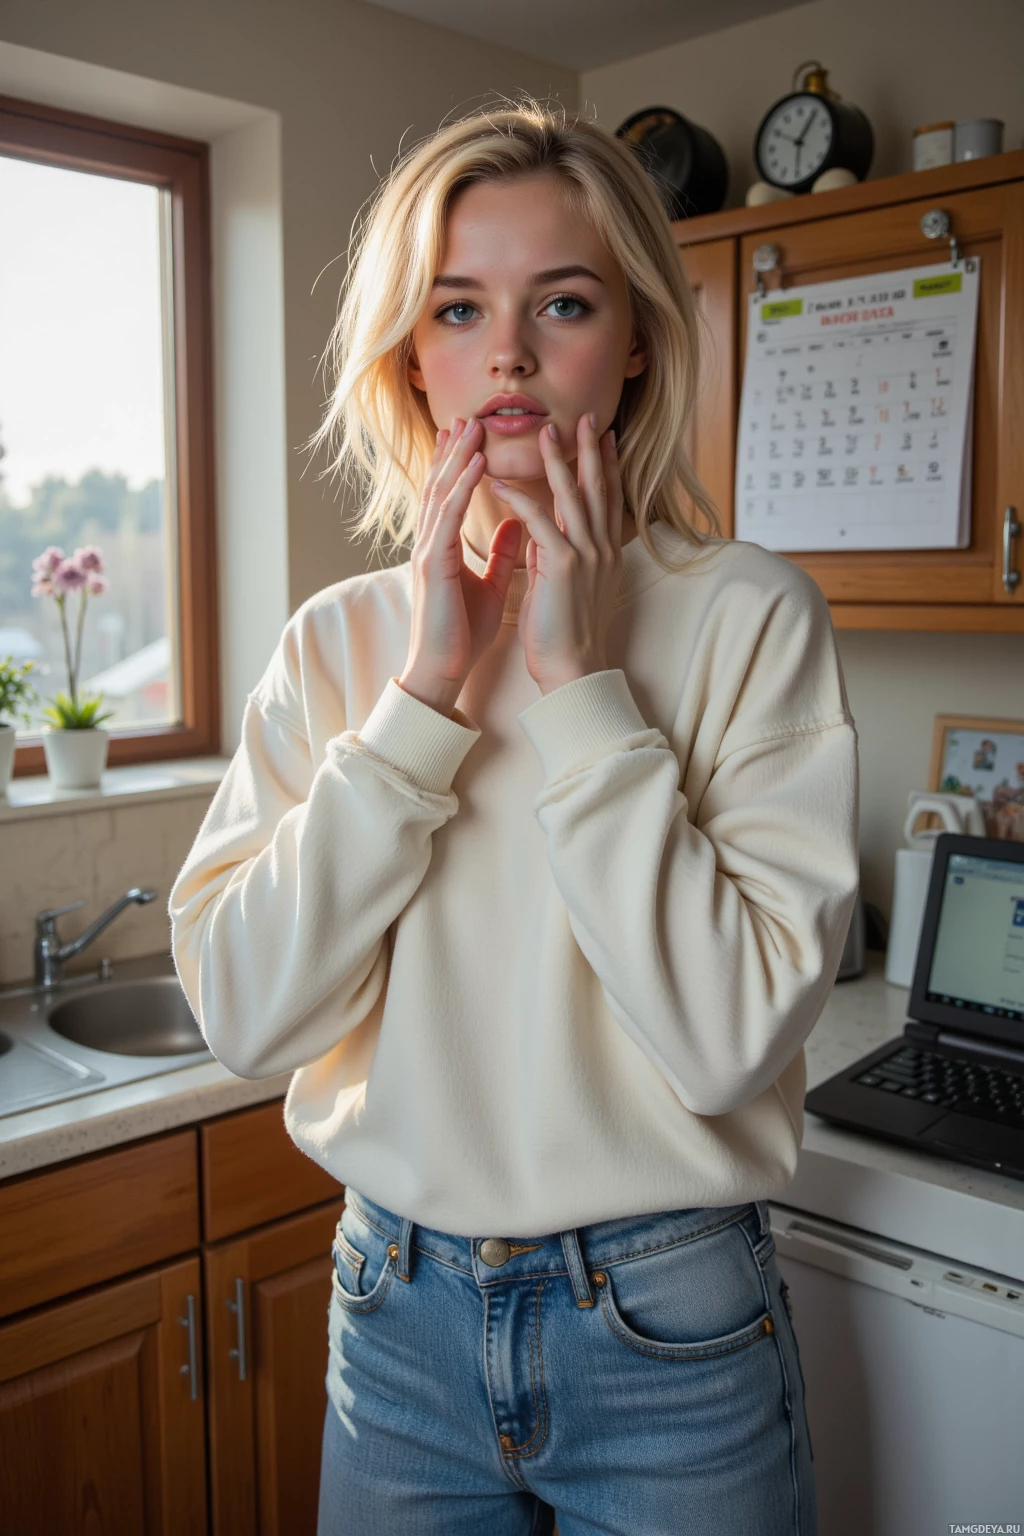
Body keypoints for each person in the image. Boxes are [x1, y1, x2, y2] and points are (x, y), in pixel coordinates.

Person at [169, 95, 859, 1536]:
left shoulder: (750, 620)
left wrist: (581, 681)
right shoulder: (339, 646)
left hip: (671, 1324)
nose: (510, 355)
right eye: (459, 307)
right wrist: (425, 696)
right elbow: (244, 1010)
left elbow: (729, 1042)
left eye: (563, 302)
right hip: (396, 1324)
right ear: (412, 360)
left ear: (639, 340)